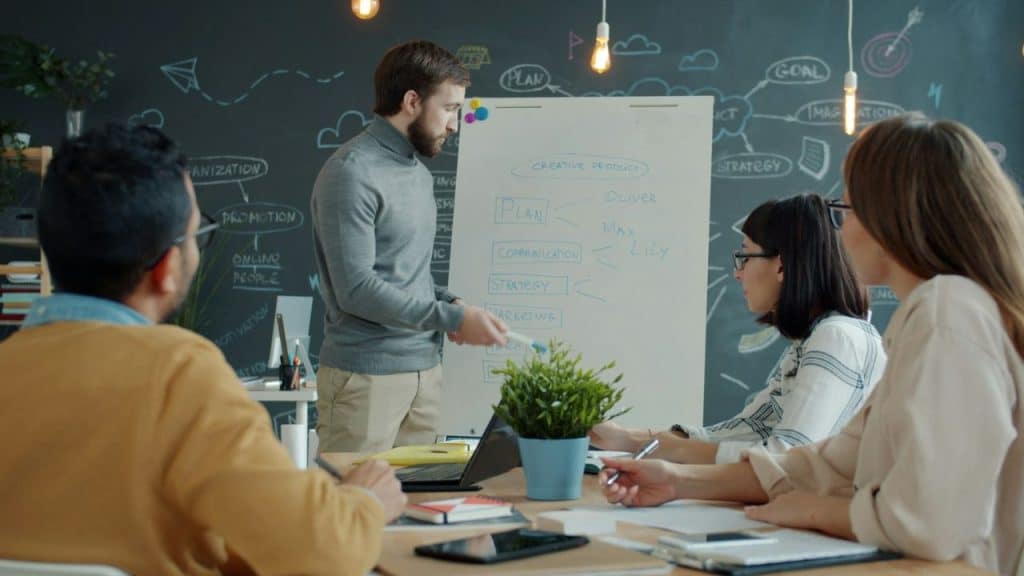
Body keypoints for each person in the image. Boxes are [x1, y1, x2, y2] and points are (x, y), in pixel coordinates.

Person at [598, 114, 1024, 575]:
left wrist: (812, 510)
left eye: (846, 210)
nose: (839, 232)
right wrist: (678, 480)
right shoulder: (924, 318)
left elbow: (926, 523)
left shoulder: (948, 311)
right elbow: (830, 463)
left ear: (890, 217)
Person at [0, 124, 405, 575]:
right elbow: (321, 555)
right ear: (167, 268)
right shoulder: (178, 373)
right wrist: (366, 501)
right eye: (198, 233)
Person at [311, 40, 507, 453]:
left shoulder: (417, 173)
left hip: (426, 372)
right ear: (412, 101)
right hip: (365, 380)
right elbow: (358, 290)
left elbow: (405, 275)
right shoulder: (351, 173)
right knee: (355, 510)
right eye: (450, 109)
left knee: (416, 507)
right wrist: (451, 319)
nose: (455, 124)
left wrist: (453, 303)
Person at [590, 193, 885, 464]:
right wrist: (626, 439)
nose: (737, 272)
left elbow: (783, 460)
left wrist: (670, 461)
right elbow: (748, 429)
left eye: (745, 256)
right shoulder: (813, 339)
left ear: (781, 266)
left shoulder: (836, 338)